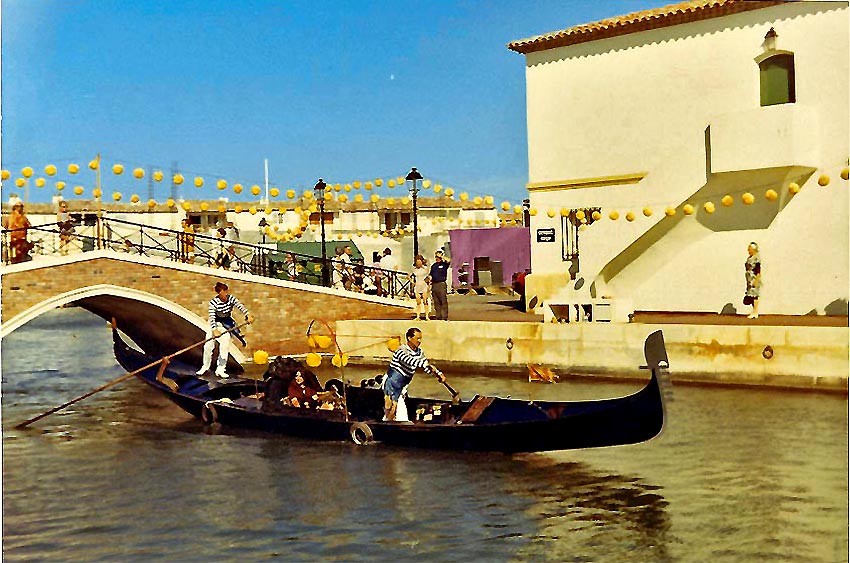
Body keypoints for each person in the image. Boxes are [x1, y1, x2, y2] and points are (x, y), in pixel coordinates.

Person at [382, 327, 445, 422]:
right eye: (417, 338)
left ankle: (388, 421)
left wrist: (438, 374)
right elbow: (411, 361)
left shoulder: (420, 352)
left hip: (403, 384)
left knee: (396, 408)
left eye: (420, 339)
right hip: (391, 381)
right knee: (393, 408)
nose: (419, 341)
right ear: (409, 338)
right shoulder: (401, 350)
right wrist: (428, 366)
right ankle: (386, 424)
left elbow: (425, 366)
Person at [196, 282, 255, 378]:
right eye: (224, 292)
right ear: (219, 293)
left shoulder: (231, 298)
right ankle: (205, 367)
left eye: (226, 291)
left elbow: (240, 306)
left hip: (226, 323)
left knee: (225, 343)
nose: (226, 294)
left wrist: (247, 314)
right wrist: (214, 330)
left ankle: (221, 369)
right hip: (214, 323)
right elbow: (212, 317)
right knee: (208, 345)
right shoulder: (213, 303)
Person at [429, 250, 451, 320]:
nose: (437, 258)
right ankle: (438, 316)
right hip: (434, 284)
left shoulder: (444, 264)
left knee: (443, 301)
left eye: (438, 256)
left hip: (441, 284)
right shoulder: (433, 266)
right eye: (436, 256)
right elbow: (431, 274)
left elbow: (449, 260)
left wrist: (441, 256)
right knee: (436, 301)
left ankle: (444, 316)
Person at [744, 242, 762, 319]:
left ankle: (755, 311)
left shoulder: (756, 258)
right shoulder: (750, 258)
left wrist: (756, 280)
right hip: (749, 279)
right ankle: (754, 310)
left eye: (749, 249)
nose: (748, 250)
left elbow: (758, 270)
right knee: (751, 295)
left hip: (754, 278)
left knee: (755, 295)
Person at [410, 255, 431, 320]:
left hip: (424, 285)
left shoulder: (425, 268)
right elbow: (409, 276)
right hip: (418, 285)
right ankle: (418, 316)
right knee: (418, 302)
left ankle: (427, 316)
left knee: (425, 301)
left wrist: (429, 284)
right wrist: (413, 282)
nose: (418, 263)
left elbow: (429, 275)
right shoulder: (414, 269)